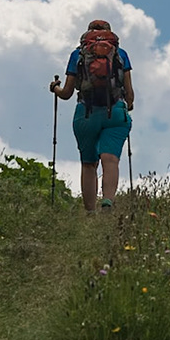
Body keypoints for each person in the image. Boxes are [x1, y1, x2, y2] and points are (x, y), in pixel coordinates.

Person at [51, 19, 135, 213]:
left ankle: (90, 212)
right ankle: (108, 202)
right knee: (110, 159)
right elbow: (129, 93)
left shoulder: (78, 55)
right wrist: (127, 106)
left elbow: (66, 93)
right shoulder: (121, 55)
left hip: (85, 113)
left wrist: (55, 88)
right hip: (115, 113)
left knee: (89, 164)